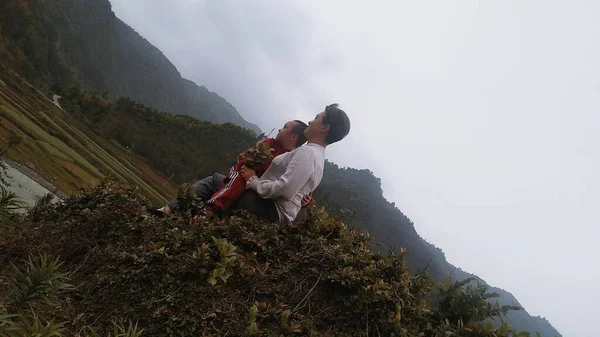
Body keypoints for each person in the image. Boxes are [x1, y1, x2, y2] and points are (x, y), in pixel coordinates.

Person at [147, 120, 310, 217]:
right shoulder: (271, 145)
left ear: (293, 136)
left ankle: (201, 211)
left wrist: (304, 199)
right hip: (246, 184)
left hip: (257, 194)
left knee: (217, 182)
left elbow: (297, 187)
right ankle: (168, 210)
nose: (280, 129)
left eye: (284, 127)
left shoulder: (291, 158)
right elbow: (244, 160)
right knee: (221, 181)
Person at [234, 103, 350, 224]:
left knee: (219, 185)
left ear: (325, 127)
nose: (310, 121)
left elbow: (284, 190)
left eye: (316, 118)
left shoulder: (308, 152)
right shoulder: (318, 156)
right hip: (273, 212)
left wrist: (254, 182)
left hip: (266, 208)